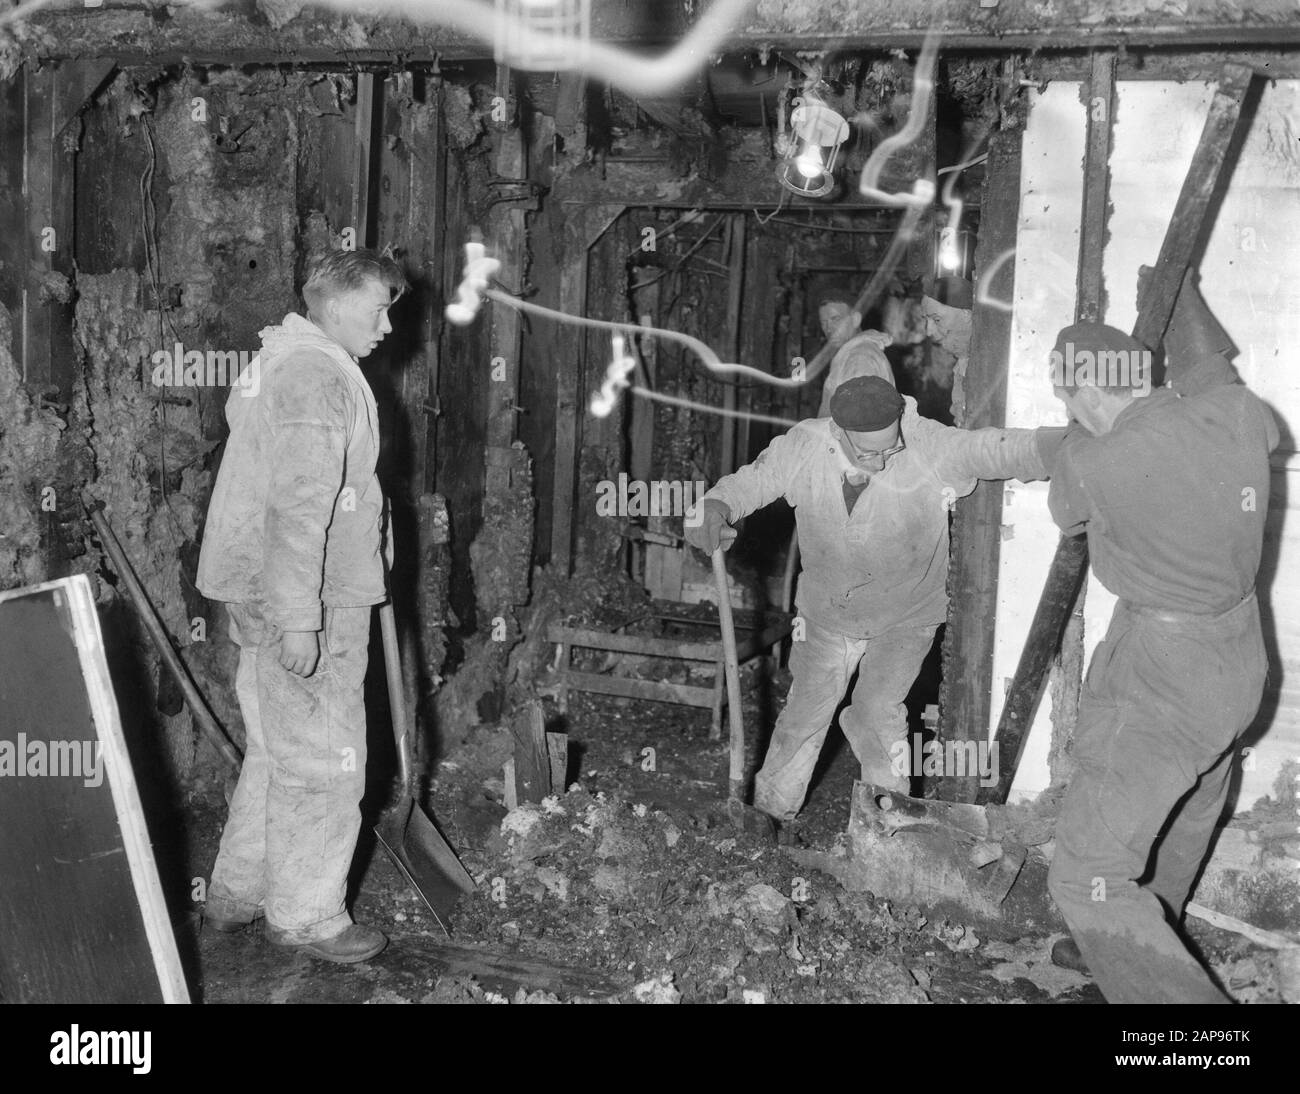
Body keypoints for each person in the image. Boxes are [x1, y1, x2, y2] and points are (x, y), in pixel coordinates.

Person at [685, 375, 1064, 823]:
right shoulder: (805, 445)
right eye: (869, 453)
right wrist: (713, 507)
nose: (883, 462)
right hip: (827, 613)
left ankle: (889, 823)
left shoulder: (925, 442)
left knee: (875, 714)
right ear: (837, 432)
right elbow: (752, 481)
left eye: (891, 449)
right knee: (804, 712)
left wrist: (1061, 446)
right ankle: (770, 817)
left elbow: (990, 449)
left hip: (903, 616)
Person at [1043, 287, 1278, 1003]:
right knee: (1188, 806)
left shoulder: (1094, 462)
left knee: (1085, 872)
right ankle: (1143, 950)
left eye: (1063, 386)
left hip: (1161, 676)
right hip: (1238, 662)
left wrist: (1080, 428)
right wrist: (1182, 302)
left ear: (1084, 389)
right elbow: (1213, 374)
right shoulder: (1239, 416)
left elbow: (1066, 509)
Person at [195, 248, 408, 963]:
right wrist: (300, 619)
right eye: (379, 306)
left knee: (276, 750)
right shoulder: (318, 377)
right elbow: (298, 509)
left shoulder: (281, 360)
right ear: (339, 303)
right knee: (325, 760)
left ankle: (236, 893)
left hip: (263, 586)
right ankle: (309, 917)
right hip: (302, 595)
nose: (386, 323)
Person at [814, 289, 895, 415]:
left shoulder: (859, 358)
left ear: (855, 319)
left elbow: (858, 420)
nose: (829, 328)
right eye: (823, 323)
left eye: (835, 319)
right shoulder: (853, 354)